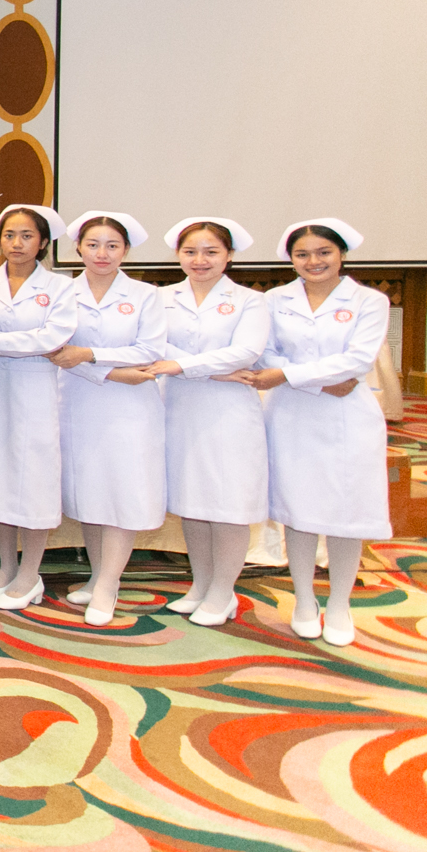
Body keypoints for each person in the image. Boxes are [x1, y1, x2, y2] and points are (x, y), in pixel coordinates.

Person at [233, 219, 389, 647]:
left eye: (324, 252)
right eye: (302, 254)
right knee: (297, 509)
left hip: (347, 417)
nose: (314, 261)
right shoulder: (272, 301)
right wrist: (317, 381)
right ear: (291, 259)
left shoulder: (370, 301)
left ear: (342, 255)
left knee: (346, 513)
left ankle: (339, 604)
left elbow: (357, 361)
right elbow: (264, 356)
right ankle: (304, 600)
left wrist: (289, 374)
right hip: (291, 415)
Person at [135, 216, 267, 628]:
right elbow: (154, 346)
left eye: (211, 252)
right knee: (191, 503)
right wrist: (213, 370)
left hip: (228, 413)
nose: (200, 260)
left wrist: (185, 366)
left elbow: (246, 352)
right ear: (178, 255)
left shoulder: (250, 301)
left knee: (228, 504)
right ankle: (201, 584)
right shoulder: (160, 298)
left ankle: (223, 592)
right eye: (190, 251)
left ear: (229, 256)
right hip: (179, 408)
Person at [0, 203, 78, 613]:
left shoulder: (61, 286)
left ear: (43, 242)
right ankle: (7, 568)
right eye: (9, 235)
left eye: (27, 236)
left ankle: (31, 574)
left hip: (36, 389)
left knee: (33, 481)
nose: (17, 243)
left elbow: (52, 337)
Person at [51, 211, 166, 626]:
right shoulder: (61, 292)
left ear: (126, 251)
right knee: (90, 491)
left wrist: (89, 355)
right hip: (78, 402)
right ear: (78, 248)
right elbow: (57, 350)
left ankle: (108, 584)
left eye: (112, 245)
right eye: (93, 244)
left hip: (130, 410)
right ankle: (99, 575)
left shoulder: (146, 295)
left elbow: (149, 351)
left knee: (122, 492)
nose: (102, 253)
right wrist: (112, 371)